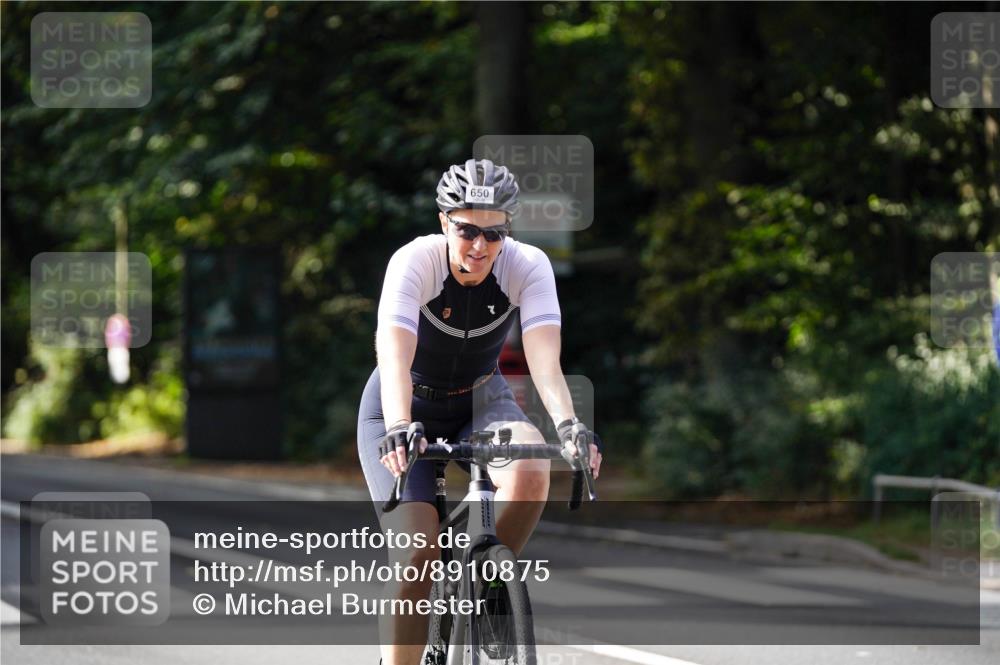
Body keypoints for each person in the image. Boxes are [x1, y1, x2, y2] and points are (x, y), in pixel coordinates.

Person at [357, 158, 602, 665]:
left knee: (533, 467)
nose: (480, 246)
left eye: (495, 234)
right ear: (445, 221)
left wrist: (570, 425)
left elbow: (544, 360)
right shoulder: (415, 261)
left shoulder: (526, 265)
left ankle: (491, 584)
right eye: (468, 230)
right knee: (415, 557)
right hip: (404, 401)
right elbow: (395, 354)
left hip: (480, 397)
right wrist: (401, 427)